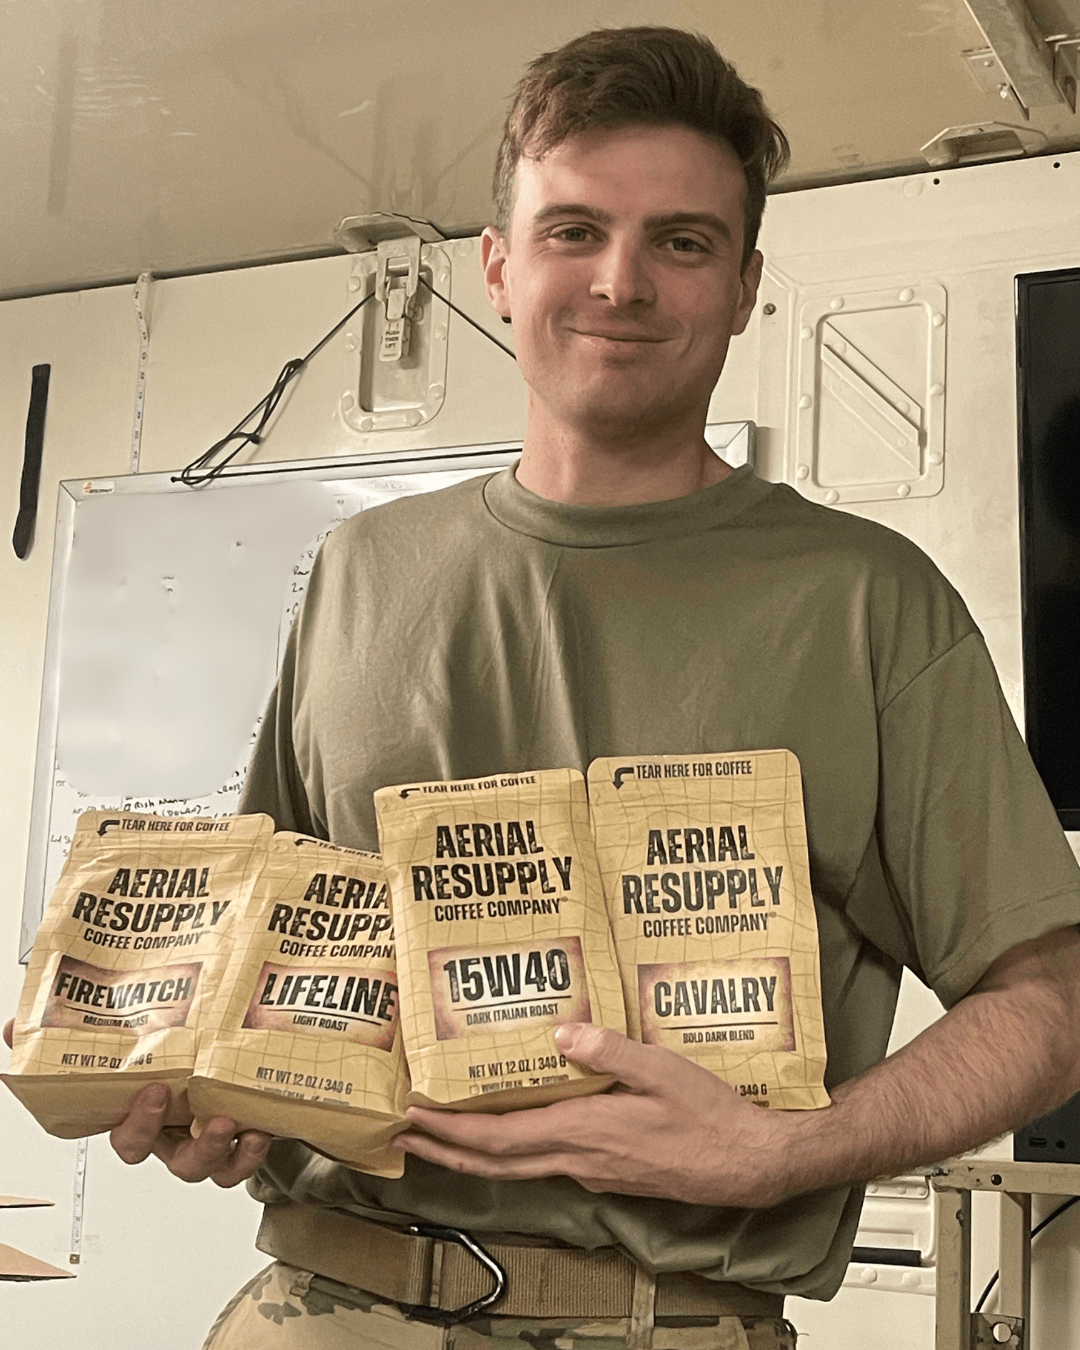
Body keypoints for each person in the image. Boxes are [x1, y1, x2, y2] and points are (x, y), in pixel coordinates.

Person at [15, 24, 1080, 1349]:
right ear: (500, 266)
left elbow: (1051, 999)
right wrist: (211, 1098)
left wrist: (787, 1151)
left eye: (681, 241)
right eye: (574, 230)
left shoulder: (869, 599)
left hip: (670, 1318)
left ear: (744, 288)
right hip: (321, 1306)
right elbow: (273, 951)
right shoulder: (358, 567)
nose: (621, 281)